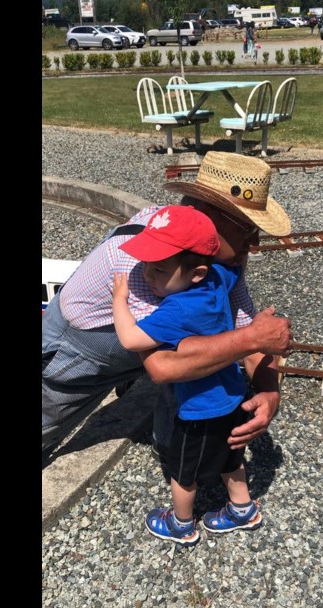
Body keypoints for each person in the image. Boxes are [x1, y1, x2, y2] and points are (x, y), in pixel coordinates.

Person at [42, 151, 293, 463]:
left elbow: (243, 323)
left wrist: (269, 390)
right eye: (246, 227)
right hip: (82, 346)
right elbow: (164, 366)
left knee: (203, 353)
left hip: (136, 338)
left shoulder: (217, 256)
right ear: (206, 214)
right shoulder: (147, 262)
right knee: (46, 423)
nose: (253, 241)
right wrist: (252, 340)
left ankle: (175, 455)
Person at [111, 205, 262, 546]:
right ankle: (242, 509)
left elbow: (130, 338)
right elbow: (235, 266)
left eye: (160, 269)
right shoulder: (216, 280)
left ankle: (181, 524)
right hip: (234, 395)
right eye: (149, 265)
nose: (148, 275)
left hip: (198, 410)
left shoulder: (178, 308)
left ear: (195, 273)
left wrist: (120, 300)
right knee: (231, 457)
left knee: (183, 472)